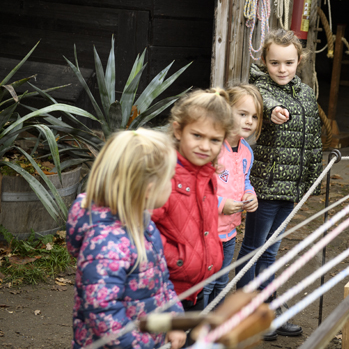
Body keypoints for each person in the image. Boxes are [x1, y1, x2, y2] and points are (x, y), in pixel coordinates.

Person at [235, 29, 322, 341]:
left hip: (293, 187)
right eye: (274, 63)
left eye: (288, 62)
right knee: (254, 249)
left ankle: (267, 306)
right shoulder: (260, 90)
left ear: (299, 61)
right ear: (264, 62)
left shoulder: (307, 93)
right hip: (265, 186)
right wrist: (271, 111)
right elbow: (264, 101)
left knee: (271, 252)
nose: (282, 69)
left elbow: (313, 141)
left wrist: (312, 180)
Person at [66, 129, 186, 349]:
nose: (172, 184)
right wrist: (138, 346)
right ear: (149, 190)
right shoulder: (107, 245)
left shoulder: (143, 223)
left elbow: (161, 282)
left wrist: (175, 320)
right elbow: (102, 312)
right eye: (170, 178)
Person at [152, 88, 233, 315]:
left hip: (195, 289)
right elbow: (140, 228)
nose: (205, 146)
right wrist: (179, 260)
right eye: (197, 136)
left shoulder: (207, 175)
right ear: (178, 130)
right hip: (163, 292)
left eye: (214, 140)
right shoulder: (163, 176)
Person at [203, 84, 262, 308]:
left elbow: (244, 179)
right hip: (208, 231)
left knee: (221, 283)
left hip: (229, 233)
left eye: (254, 117)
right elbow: (200, 190)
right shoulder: (214, 148)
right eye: (243, 114)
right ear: (227, 112)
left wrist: (250, 194)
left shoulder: (247, 150)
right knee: (206, 285)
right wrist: (220, 204)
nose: (249, 121)